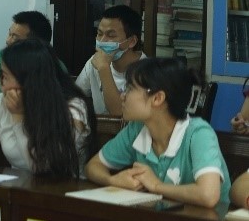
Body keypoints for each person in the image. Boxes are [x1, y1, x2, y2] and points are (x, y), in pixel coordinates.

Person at [85, 57, 231, 209]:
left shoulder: (198, 133)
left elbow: (208, 195)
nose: (122, 95)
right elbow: (93, 166)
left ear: (157, 98)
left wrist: (156, 186)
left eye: (130, 89)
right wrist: (113, 180)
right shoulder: (137, 128)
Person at [0, 39, 92, 178]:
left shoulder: (73, 108)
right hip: (20, 186)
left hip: (64, 187)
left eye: (5, 76)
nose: (0, 83)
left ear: (29, 79)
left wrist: (18, 117)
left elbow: (42, 167)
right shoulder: (2, 103)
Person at [0, 11, 58, 102]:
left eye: (15, 37)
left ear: (35, 45)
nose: (7, 41)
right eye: (9, 34)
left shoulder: (54, 68)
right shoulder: (0, 58)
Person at [74, 4, 145, 117]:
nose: (102, 41)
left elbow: (120, 115)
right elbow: (74, 97)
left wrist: (104, 69)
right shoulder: (94, 62)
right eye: (99, 34)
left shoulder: (147, 71)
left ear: (132, 41)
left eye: (111, 35)